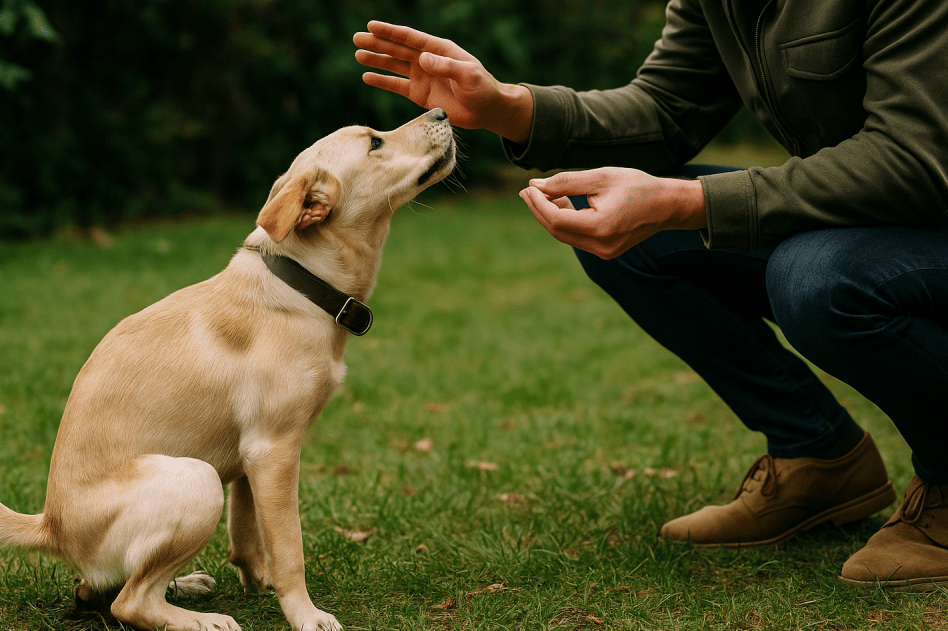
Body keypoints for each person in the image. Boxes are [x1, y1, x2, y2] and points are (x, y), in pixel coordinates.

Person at [353, 2, 948, 589]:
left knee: (817, 279)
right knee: (644, 240)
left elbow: (910, 158)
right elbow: (665, 113)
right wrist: (508, 108)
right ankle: (819, 458)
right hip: (878, 221)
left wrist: (691, 203)